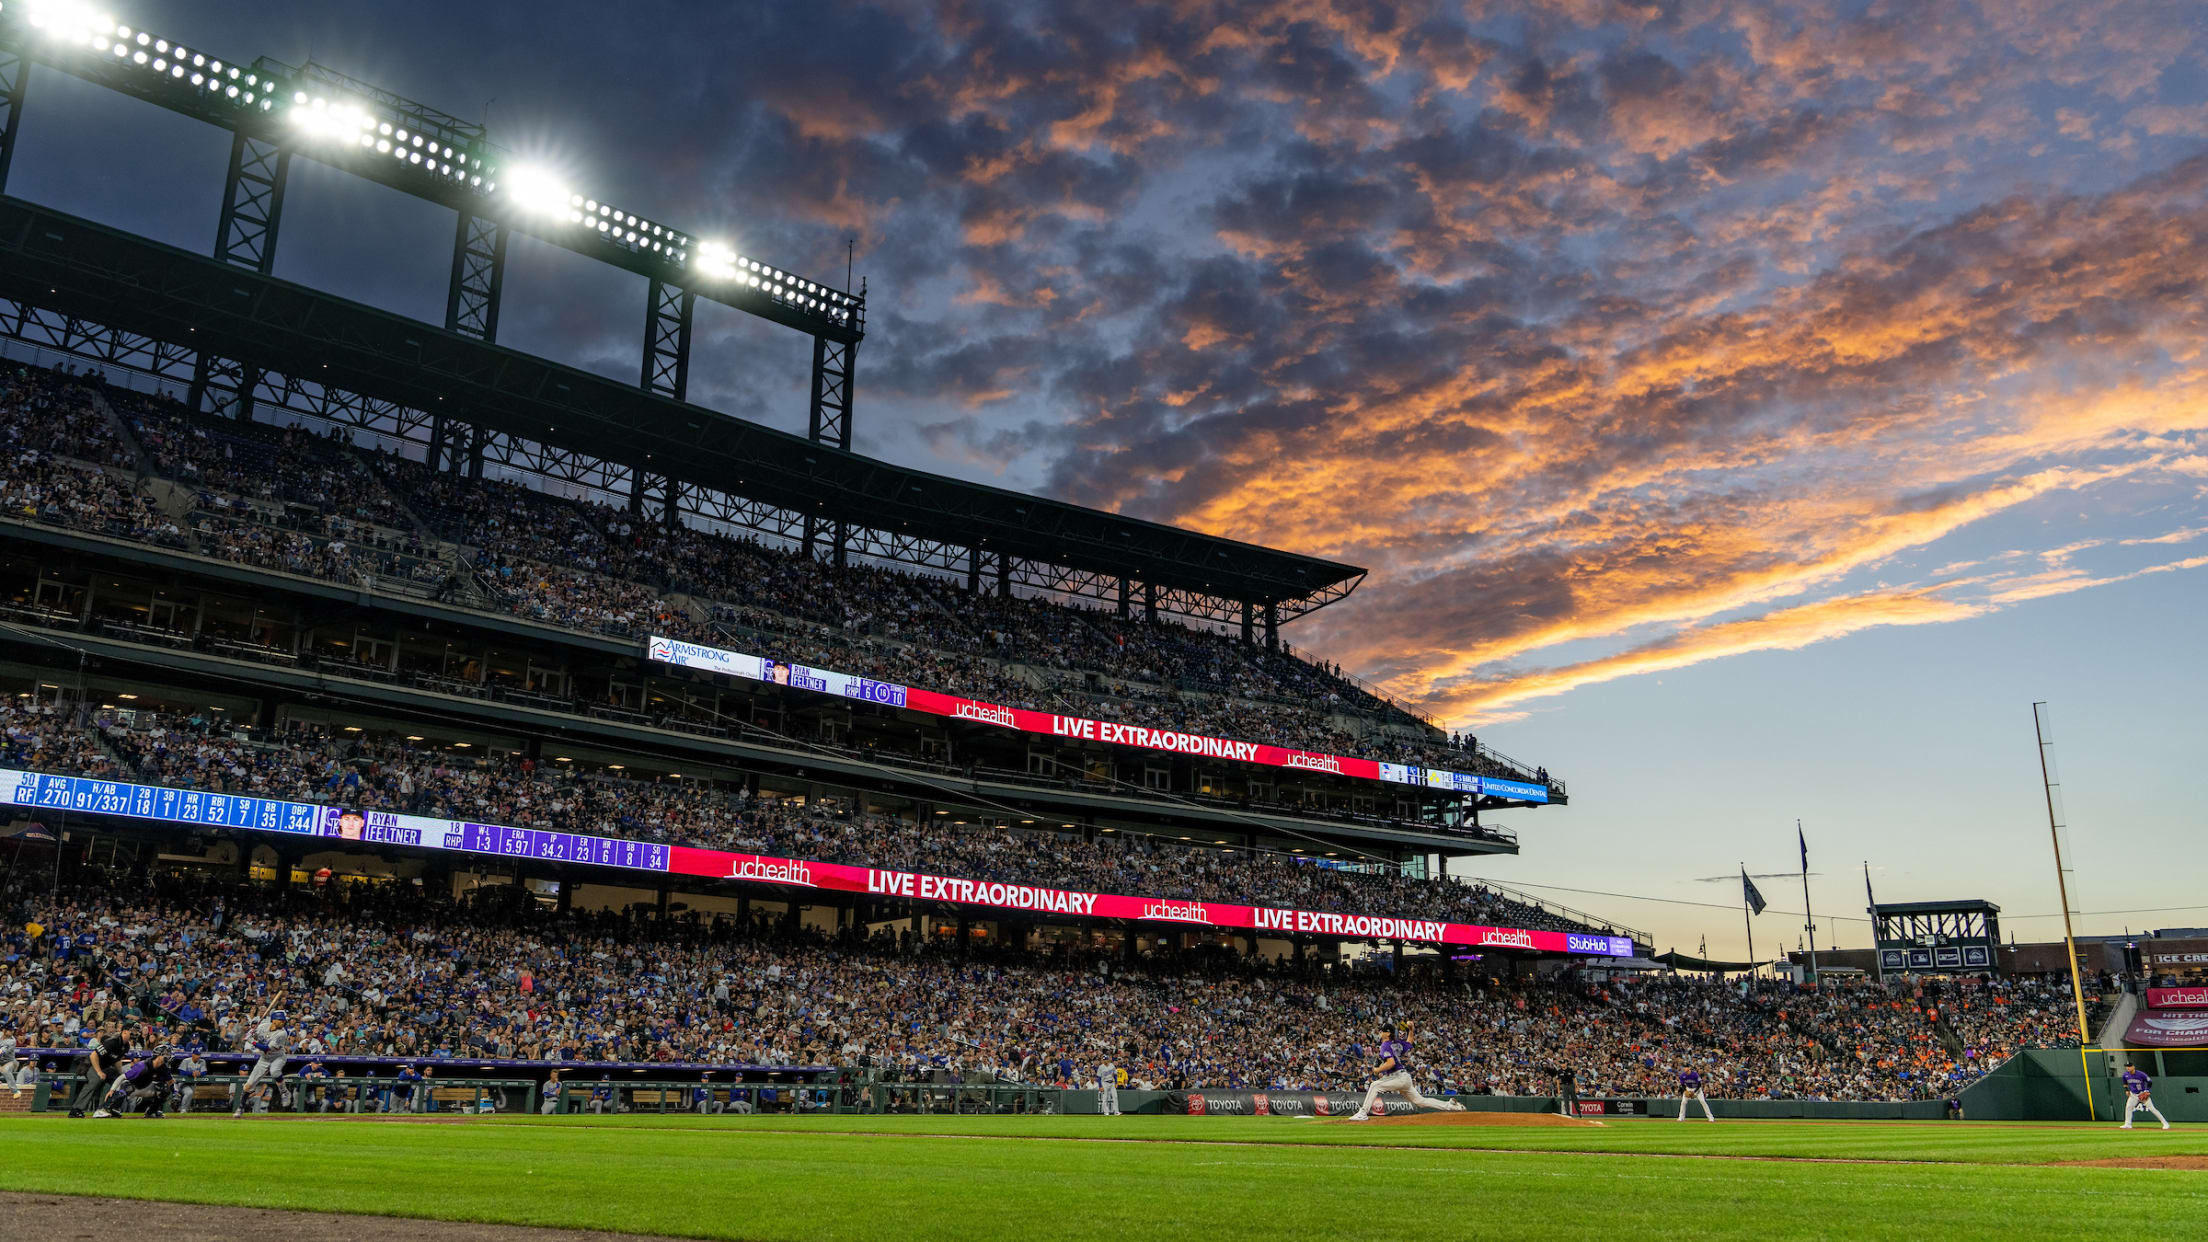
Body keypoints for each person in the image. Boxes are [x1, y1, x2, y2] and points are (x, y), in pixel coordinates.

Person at [1348, 1024, 1463, 1122]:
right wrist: (1411, 1030)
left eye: (1382, 1031)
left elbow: (1391, 1063)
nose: (1380, 1033)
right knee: (1421, 1102)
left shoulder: (1385, 1045)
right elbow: (1409, 1042)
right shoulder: (1397, 1043)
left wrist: (1377, 1069)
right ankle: (1450, 1105)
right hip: (1404, 1078)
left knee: (1374, 1085)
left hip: (1398, 1077)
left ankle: (1363, 1113)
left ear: (1387, 1034)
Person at [233, 1007, 295, 1117]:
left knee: (275, 1071)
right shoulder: (262, 1027)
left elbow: (266, 1048)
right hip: (264, 1059)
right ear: (274, 1020)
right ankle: (240, 1108)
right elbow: (253, 1034)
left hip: (278, 1057)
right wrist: (250, 1033)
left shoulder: (282, 1033)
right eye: (282, 1020)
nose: (284, 1022)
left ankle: (284, 1093)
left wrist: (251, 1041)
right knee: (248, 1086)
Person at [69, 1023, 129, 1118]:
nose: (135, 1033)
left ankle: (108, 1108)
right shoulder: (112, 1041)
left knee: (120, 1082)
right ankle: (76, 1109)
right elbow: (93, 1055)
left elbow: (117, 1059)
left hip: (106, 1067)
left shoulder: (126, 1046)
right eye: (132, 1031)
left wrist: (121, 1075)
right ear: (125, 1032)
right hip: (91, 1065)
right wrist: (99, 1072)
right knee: (96, 1079)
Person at [2121, 1064, 2170, 1130]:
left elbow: (2149, 1082)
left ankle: (2165, 1123)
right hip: (2133, 1095)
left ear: (2133, 1067)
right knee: (2128, 1108)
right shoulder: (2125, 1075)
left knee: (2152, 1109)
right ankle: (2128, 1124)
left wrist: (2147, 1090)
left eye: (2129, 1066)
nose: (2128, 1068)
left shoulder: (2141, 1074)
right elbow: (2125, 1083)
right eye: (2127, 1066)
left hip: (2142, 1094)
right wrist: (2126, 1090)